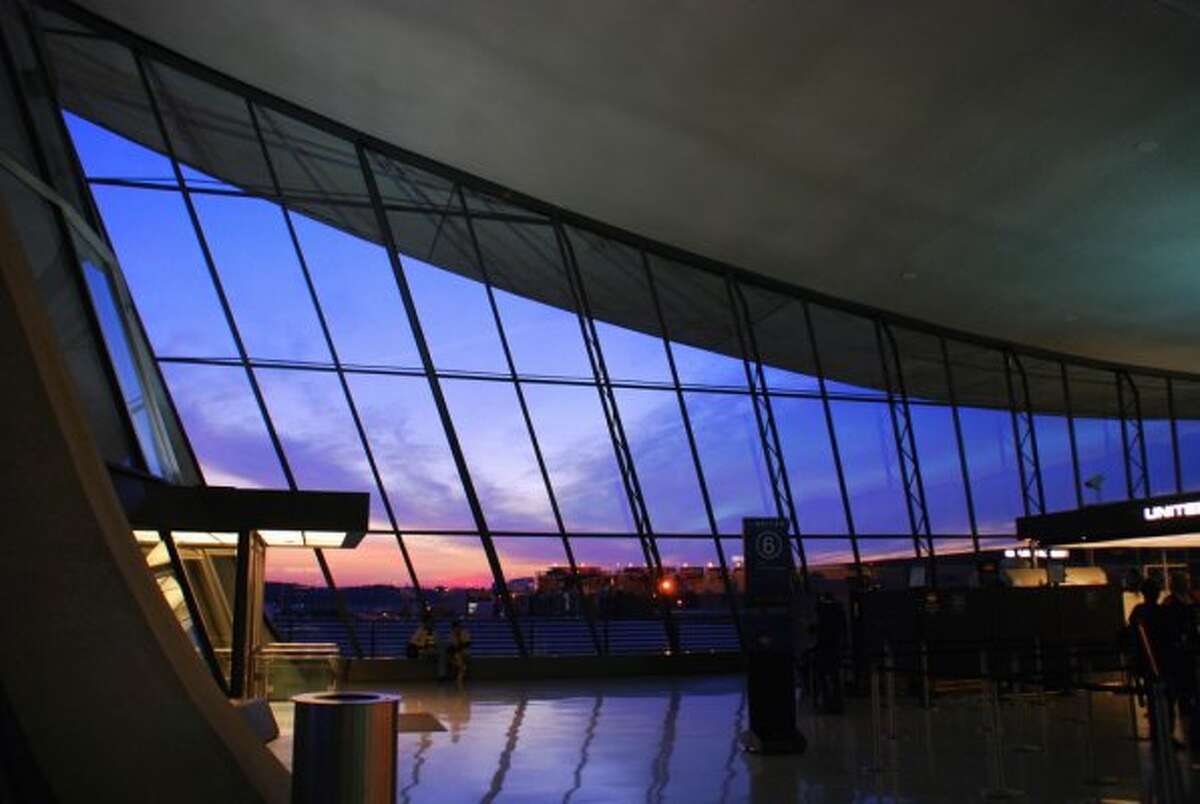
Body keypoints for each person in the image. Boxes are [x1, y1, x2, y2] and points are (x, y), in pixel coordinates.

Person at [1128, 577, 1183, 746]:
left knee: (1154, 700)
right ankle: (1166, 734)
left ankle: (1157, 733)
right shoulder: (1162, 613)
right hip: (1164, 662)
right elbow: (1173, 635)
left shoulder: (1138, 612)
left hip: (1147, 663)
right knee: (1167, 700)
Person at [1162, 573, 1198, 740]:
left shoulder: (1190, 600)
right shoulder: (1172, 604)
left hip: (1190, 653)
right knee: (1183, 691)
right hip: (1179, 655)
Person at [812, 591, 847, 714]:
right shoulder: (839, 610)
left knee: (822, 675)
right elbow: (844, 630)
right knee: (835, 676)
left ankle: (826, 703)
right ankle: (837, 704)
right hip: (835, 646)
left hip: (823, 646)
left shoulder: (821, 610)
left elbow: (817, 629)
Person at [448, 619, 472, 687]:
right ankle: (459, 678)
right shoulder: (452, 635)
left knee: (460, 662)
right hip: (457, 653)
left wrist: (460, 646)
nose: (455, 629)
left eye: (457, 627)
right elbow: (454, 646)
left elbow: (467, 643)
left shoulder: (464, 632)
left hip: (465, 652)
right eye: (454, 628)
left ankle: (459, 678)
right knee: (459, 662)